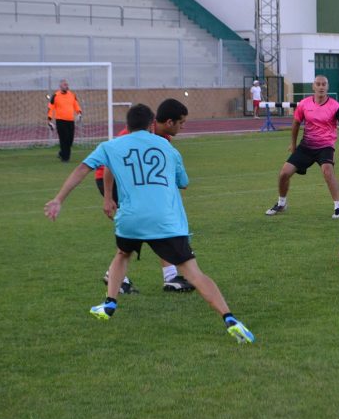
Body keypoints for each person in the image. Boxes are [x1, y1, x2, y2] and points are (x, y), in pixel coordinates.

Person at [44, 103, 254, 343]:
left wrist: (59, 199)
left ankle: (109, 304)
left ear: (128, 124)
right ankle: (229, 318)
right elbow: (183, 182)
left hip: (131, 219)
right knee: (194, 274)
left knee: (123, 253)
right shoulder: (167, 147)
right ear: (151, 122)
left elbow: (83, 169)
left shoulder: (110, 146)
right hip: (165, 220)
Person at [96, 99, 195, 294]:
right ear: (168, 122)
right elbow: (108, 166)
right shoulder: (133, 134)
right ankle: (116, 275)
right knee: (147, 225)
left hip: (137, 184)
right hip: (114, 180)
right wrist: (108, 198)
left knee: (157, 224)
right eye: (181, 122)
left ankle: (170, 276)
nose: (183, 127)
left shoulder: (163, 139)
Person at [265, 75, 339, 219]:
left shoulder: (335, 106)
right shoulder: (304, 104)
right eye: (318, 84)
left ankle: (338, 207)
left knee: (328, 172)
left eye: (324, 84)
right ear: (313, 86)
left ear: (327, 87)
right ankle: (281, 203)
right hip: (306, 146)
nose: (321, 87)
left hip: (325, 146)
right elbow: (296, 123)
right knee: (284, 173)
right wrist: (293, 144)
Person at [47, 79, 82, 162]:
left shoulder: (72, 95)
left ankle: (62, 153)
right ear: (60, 86)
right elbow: (50, 108)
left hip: (70, 120)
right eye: (64, 85)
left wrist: (79, 113)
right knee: (64, 139)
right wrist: (49, 119)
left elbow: (76, 105)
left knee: (70, 140)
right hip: (60, 121)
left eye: (67, 84)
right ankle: (65, 158)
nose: (66, 86)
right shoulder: (55, 96)